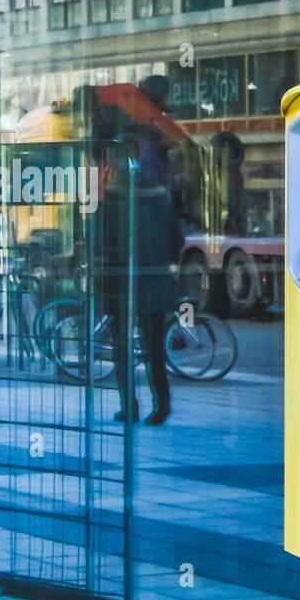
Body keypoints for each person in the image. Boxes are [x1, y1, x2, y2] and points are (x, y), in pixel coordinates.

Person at [85, 76, 184, 426]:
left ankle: (130, 405)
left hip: (121, 282)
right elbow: (177, 244)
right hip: (154, 281)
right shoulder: (159, 194)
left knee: (123, 348)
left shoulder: (111, 199)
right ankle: (162, 403)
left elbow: (101, 246)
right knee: (155, 348)